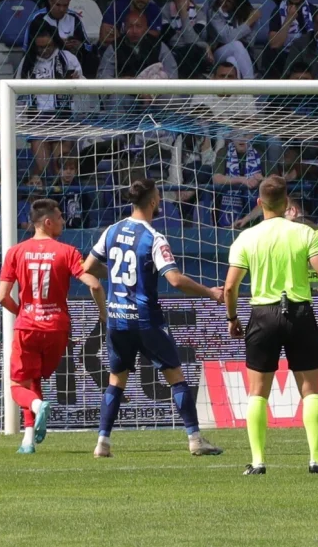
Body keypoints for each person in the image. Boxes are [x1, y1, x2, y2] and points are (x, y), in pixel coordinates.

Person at [80, 180, 225, 457]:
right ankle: (195, 439)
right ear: (154, 202)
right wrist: (210, 292)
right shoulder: (154, 237)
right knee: (176, 376)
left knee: (116, 380)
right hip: (145, 319)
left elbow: (87, 267)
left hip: (117, 318)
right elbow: (175, 279)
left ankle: (102, 443)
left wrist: (114, 275)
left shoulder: (111, 230)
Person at [224, 175, 318, 475]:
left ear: (259, 202)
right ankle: (316, 461)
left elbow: (230, 287)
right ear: (287, 201)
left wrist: (232, 318)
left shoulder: (246, 237)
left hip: (262, 315)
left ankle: (258, 462)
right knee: (310, 390)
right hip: (299, 312)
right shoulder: (305, 233)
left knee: (257, 392)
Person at [0, 199, 106, 454]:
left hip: (28, 327)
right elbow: (94, 284)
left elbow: (2, 296)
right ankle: (28, 441)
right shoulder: (67, 252)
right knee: (33, 380)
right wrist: (103, 315)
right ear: (47, 222)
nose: (63, 221)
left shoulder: (15, 252)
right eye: (59, 217)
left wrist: (23, 313)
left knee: (18, 386)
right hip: (57, 329)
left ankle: (37, 407)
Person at [26, 0, 97, 78]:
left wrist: (79, 45)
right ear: (50, 1)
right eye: (58, 5)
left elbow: (89, 47)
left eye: (65, 5)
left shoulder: (74, 18)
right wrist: (58, 42)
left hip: (70, 62)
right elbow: (28, 47)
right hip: (42, 62)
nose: (61, 9)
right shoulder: (37, 17)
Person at [98, 12, 179, 79]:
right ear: (124, 28)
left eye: (138, 26)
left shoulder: (158, 45)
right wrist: (121, 81)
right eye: (130, 26)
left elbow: (172, 73)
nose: (134, 31)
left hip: (154, 89)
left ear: (146, 29)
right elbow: (104, 76)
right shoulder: (114, 47)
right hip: (124, 89)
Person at [162, 0, 214, 78]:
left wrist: (183, 14)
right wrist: (204, 44)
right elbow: (174, 41)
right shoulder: (164, 12)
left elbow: (191, 41)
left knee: (193, 50)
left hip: (194, 52)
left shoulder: (199, 14)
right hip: (173, 52)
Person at [212, 133, 264, 227]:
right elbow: (216, 178)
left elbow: (274, 179)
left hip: (255, 205)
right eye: (237, 135)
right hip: (227, 201)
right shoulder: (223, 152)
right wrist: (241, 180)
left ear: (251, 136)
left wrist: (262, 180)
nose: (241, 139)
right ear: (231, 137)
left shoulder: (260, 153)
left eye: (245, 135)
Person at [99, 0, 164, 48]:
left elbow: (153, 37)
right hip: (114, 51)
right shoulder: (116, 7)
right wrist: (141, 34)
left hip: (142, 51)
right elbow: (105, 37)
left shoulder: (154, 10)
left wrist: (120, 37)